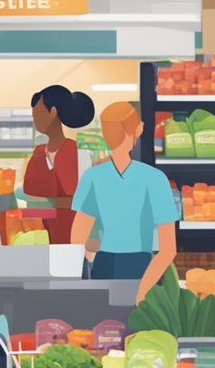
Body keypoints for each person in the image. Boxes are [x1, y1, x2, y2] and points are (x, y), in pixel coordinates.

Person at [70, 101, 180, 302]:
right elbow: (168, 249)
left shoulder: (92, 177)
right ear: (137, 129)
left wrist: (88, 267)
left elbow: (77, 240)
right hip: (143, 267)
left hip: (102, 266)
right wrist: (143, 291)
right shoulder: (155, 179)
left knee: (103, 329)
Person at [22, 85, 95, 244]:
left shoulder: (71, 150)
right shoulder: (40, 151)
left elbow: (68, 188)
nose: (35, 121)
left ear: (53, 112)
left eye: (38, 114)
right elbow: (30, 187)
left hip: (68, 223)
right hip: (46, 222)